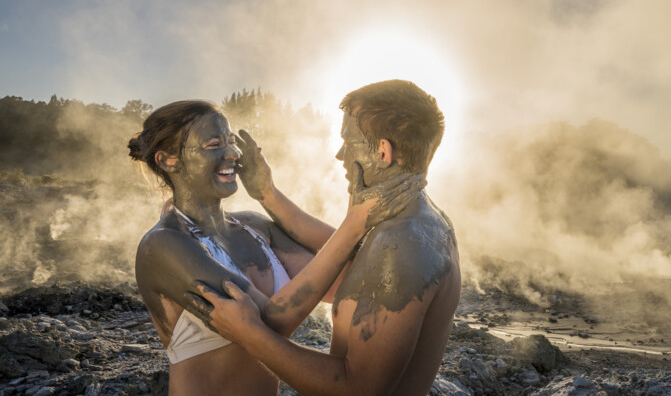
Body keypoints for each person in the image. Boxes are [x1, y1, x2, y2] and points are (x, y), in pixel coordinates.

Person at [129, 100, 419, 395]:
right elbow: (268, 324)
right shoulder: (164, 245)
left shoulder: (256, 228)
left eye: (230, 142)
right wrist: (354, 223)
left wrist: (267, 193)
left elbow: (355, 276)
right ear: (169, 160)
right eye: (213, 144)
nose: (232, 153)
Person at [193, 80, 461, 396]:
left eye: (349, 141)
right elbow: (344, 246)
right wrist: (266, 192)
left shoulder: (401, 246)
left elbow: (359, 387)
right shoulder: (414, 215)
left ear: (383, 151)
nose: (339, 154)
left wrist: (249, 334)